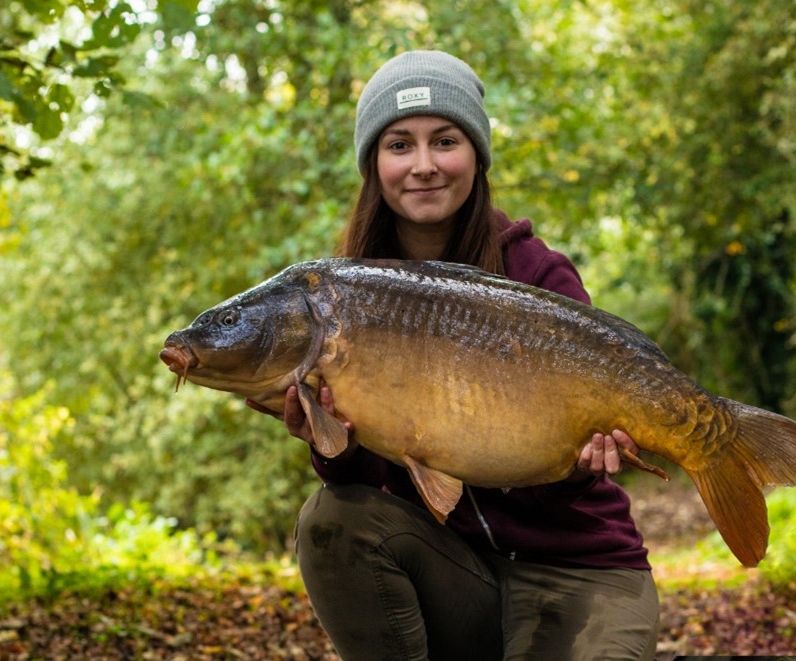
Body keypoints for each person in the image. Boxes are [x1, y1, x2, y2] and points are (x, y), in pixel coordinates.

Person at [248, 50, 660, 661]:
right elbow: (374, 487)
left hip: (579, 571)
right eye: (398, 145)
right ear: (373, 165)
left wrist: (579, 465)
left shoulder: (536, 272)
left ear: (475, 154)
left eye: (444, 140)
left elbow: (562, 487)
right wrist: (331, 439)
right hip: (455, 571)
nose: (423, 166)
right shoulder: (343, 298)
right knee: (332, 519)